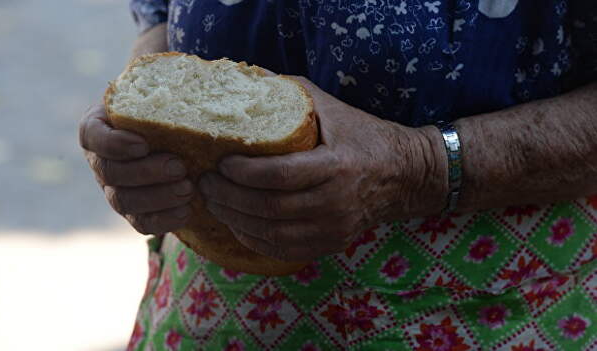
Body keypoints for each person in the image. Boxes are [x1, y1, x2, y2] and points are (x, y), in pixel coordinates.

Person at [79, 1, 597, 350]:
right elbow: (160, 15)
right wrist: (142, 109)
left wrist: (422, 166)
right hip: (217, 306)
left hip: (503, 305)